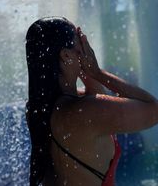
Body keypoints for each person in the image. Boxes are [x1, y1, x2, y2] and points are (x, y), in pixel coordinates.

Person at [25, 16, 158, 186]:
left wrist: (83, 68)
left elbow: (95, 97)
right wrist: (97, 72)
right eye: (79, 40)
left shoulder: (37, 109)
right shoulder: (86, 111)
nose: (85, 46)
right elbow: (153, 110)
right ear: (66, 55)